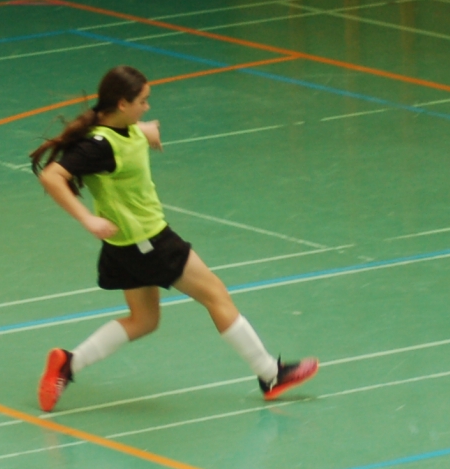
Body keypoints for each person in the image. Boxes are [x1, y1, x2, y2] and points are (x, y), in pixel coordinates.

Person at [27, 64, 318, 412]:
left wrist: (144, 130)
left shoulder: (117, 129)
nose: (147, 107)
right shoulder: (99, 146)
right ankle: (270, 374)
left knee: (144, 321)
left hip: (123, 246)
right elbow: (52, 176)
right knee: (216, 295)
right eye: (142, 101)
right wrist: (87, 218)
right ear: (122, 104)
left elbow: (123, 133)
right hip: (149, 241)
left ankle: (67, 364)